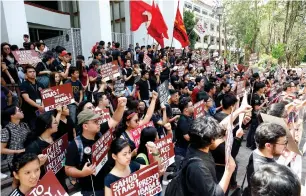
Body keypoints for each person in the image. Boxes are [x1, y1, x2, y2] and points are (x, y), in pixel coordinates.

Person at [65, 97, 127, 196]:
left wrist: (120, 107)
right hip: (91, 191)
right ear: (85, 126)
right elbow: (68, 169)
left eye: (98, 120)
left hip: (109, 183)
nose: (99, 123)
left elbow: (115, 119)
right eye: (95, 122)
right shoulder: (75, 145)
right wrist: (82, 173)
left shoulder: (100, 131)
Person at [178, 116, 237, 195]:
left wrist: (239, 110)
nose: (220, 138)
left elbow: (221, 125)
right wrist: (228, 171)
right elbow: (214, 194)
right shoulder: (199, 167)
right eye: (218, 137)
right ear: (212, 140)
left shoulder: (194, 144)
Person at [25, 111, 67, 191]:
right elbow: (27, 170)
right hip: (47, 186)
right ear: (47, 126)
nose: (57, 124)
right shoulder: (33, 147)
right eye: (55, 123)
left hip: (61, 181)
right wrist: (38, 163)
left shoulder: (55, 137)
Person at [245, 123, 287, 195]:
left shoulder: (257, 151)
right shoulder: (262, 171)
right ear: (268, 145)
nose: (285, 146)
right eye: (284, 143)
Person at [116, 92, 158, 156]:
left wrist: (154, 99)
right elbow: (120, 156)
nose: (138, 122)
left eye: (138, 120)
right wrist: (132, 154)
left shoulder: (138, 126)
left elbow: (148, 115)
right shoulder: (123, 138)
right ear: (127, 123)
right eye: (136, 121)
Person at [1, 106, 31, 188]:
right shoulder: (6, 130)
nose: (22, 111)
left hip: (27, 155)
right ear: (12, 115)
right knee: (16, 180)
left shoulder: (24, 125)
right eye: (19, 110)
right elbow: (1, 149)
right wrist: (18, 151)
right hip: (15, 159)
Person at [20, 65, 45, 130]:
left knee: (42, 128)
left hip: (41, 111)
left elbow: (44, 96)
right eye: (30, 72)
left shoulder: (40, 84)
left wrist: (42, 105)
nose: (33, 73)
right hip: (29, 111)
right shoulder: (24, 85)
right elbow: (27, 99)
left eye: (34, 71)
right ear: (26, 74)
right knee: (32, 129)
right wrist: (39, 106)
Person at [247, 82, 267, 149]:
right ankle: (253, 146)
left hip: (252, 115)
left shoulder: (254, 94)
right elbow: (256, 108)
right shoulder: (256, 96)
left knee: (251, 130)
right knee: (254, 131)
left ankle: (248, 143)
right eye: (263, 88)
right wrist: (264, 102)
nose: (264, 89)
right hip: (254, 115)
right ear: (260, 89)